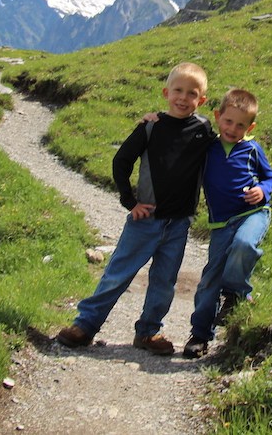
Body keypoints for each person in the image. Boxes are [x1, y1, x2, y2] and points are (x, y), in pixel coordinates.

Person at [57, 62, 215, 355]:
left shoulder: (203, 129)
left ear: (201, 100)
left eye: (191, 93)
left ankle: (148, 332)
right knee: (118, 273)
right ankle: (86, 325)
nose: (183, 98)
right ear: (166, 92)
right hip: (146, 219)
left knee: (165, 281)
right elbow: (121, 161)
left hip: (179, 224)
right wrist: (130, 201)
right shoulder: (150, 127)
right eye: (177, 91)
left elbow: (221, 155)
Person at [182, 88, 272, 359]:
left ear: (251, 126)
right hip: (220, 223)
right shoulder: (208, 147)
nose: (233, 129)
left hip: (253, 213)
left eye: (241, 125)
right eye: (228, 121)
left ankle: (235, 291)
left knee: (245, 244)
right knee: (209, 279)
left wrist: (263, 190)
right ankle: (199, 335)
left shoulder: (252, 149)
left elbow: (271, 178)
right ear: (217, 116)